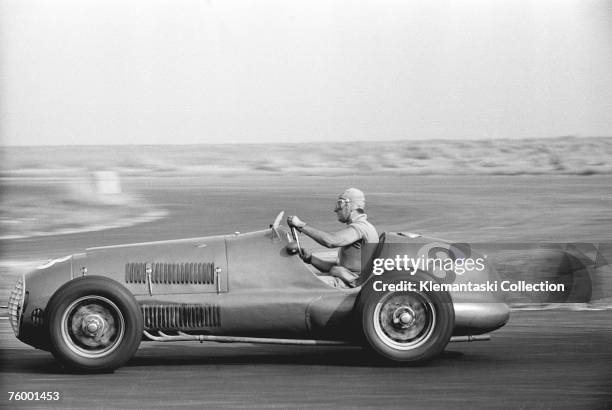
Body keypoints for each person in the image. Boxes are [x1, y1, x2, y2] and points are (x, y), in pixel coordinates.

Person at [287, 188, 378, 288]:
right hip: (347, 281)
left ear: (351, 205)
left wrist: (300, 225)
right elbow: (338, 268)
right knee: (301, 279)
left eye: (340, 204)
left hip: (349, 285)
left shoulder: (360, 228)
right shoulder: (362, 227)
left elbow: (331, 241)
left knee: (297, 284)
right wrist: (310, 258)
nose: (336, 209)